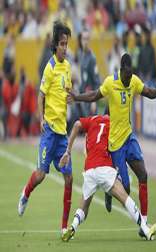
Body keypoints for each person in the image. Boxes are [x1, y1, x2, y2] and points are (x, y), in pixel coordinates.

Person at [68, 53, 156, 224]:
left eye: (131, 75)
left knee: (143, 175)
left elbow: (148, 92)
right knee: (125, 188)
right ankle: (108, 193)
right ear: (121, 71)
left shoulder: (134, 80)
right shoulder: (110, 83)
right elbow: (94, 95)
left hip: (129, 137)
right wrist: (76, 97)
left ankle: (144, 221)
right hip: (115, 145)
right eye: (127, 76)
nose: (129, 80)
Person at [60, 115, 156, 242]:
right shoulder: (114, 124)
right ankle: (146, 229)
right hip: (104, 168)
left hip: (89, 169)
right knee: (125, 198)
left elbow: (77, 125)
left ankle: (72, 227)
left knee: (84, 206)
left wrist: (68, 151)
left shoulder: (91, 120)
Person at [18, 21, 73, 235]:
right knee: (41, 174)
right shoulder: (49, 68)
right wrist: (41, 119)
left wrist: (70, 97)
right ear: (55, 45)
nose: (65, 48)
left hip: (63, 134)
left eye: (67, 44)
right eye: (62, 44)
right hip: (50, 132)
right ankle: (25, 193)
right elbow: (41, 96)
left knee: (69, 178)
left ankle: (63, 227)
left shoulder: (67, 67)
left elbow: (67, 89)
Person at [77, 29, 101, 117]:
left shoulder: (92, 58)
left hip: (90, 98)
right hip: (83, 96)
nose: (85, 42)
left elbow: (96, 81)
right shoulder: (81, 55)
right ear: (81, 40)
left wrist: (94, 101)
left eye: (87, 39)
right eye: (84, 39)